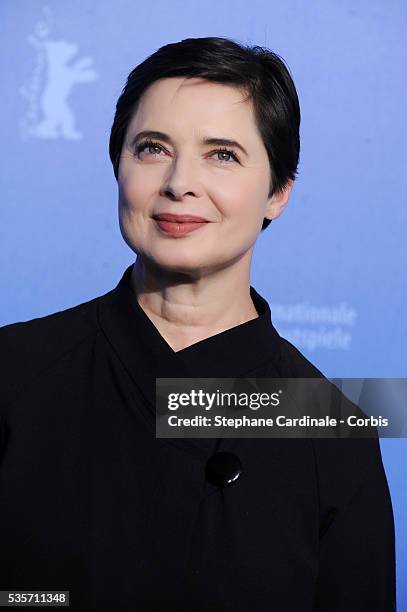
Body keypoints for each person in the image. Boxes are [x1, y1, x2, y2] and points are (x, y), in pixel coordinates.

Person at [0, 36, 396, 611]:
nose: (179, 182)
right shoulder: (16, 373)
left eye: (223, 154)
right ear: (118, 166)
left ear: (278, 193)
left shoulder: (330, 434)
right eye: (153, 148)